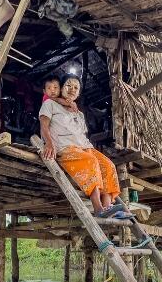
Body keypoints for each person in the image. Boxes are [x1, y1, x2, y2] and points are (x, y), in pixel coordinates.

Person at [39, 72, 131, 218]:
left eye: (76, 87)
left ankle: (108, 206)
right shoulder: (49, 104)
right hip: (65, 147)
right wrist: (49, 144)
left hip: (85, 147)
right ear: (61, 88)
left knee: (108, 165)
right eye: (68, 85)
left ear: (79, 92)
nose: (72, 89)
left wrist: (90, 150)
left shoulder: (79, 114)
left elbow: (82, 135)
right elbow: (44, 126)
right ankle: (98, 208)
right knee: (91, 161)